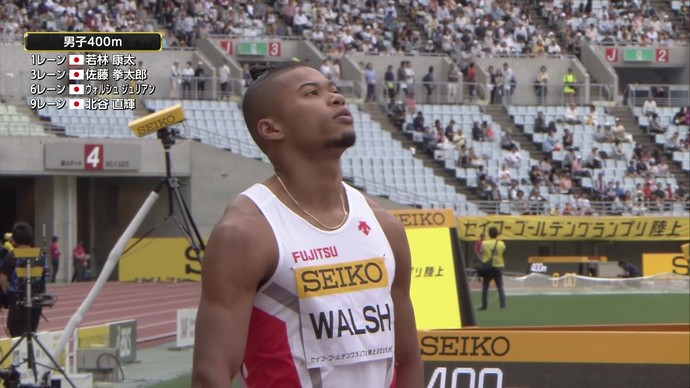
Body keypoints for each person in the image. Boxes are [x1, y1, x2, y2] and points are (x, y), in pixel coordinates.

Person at [192, 62, 423, 387]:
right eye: (312, 93)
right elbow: (210, 375)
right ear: (271, 128)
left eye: (333, 90)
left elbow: (408, 359)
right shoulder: (247, 232)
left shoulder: (385, 227)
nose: (336, 99)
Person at [0, 222, 42, 337]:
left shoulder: (11, 257)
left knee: (17, 337)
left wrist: (8, 294)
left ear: (14, 239)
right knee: (31, 334)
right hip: (35, 303)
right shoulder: (38, 256)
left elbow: (2, 280)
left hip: (17, 305)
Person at [477, 227, 506, 311]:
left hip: (487, 267)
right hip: (498, 267)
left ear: (489, 234)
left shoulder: (484, 243)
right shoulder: (501, 244)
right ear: (497, 234)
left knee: (485, 287)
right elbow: (503, 253)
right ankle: (503, 306)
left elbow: (481, 252)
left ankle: (484, 305)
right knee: (500, 287)